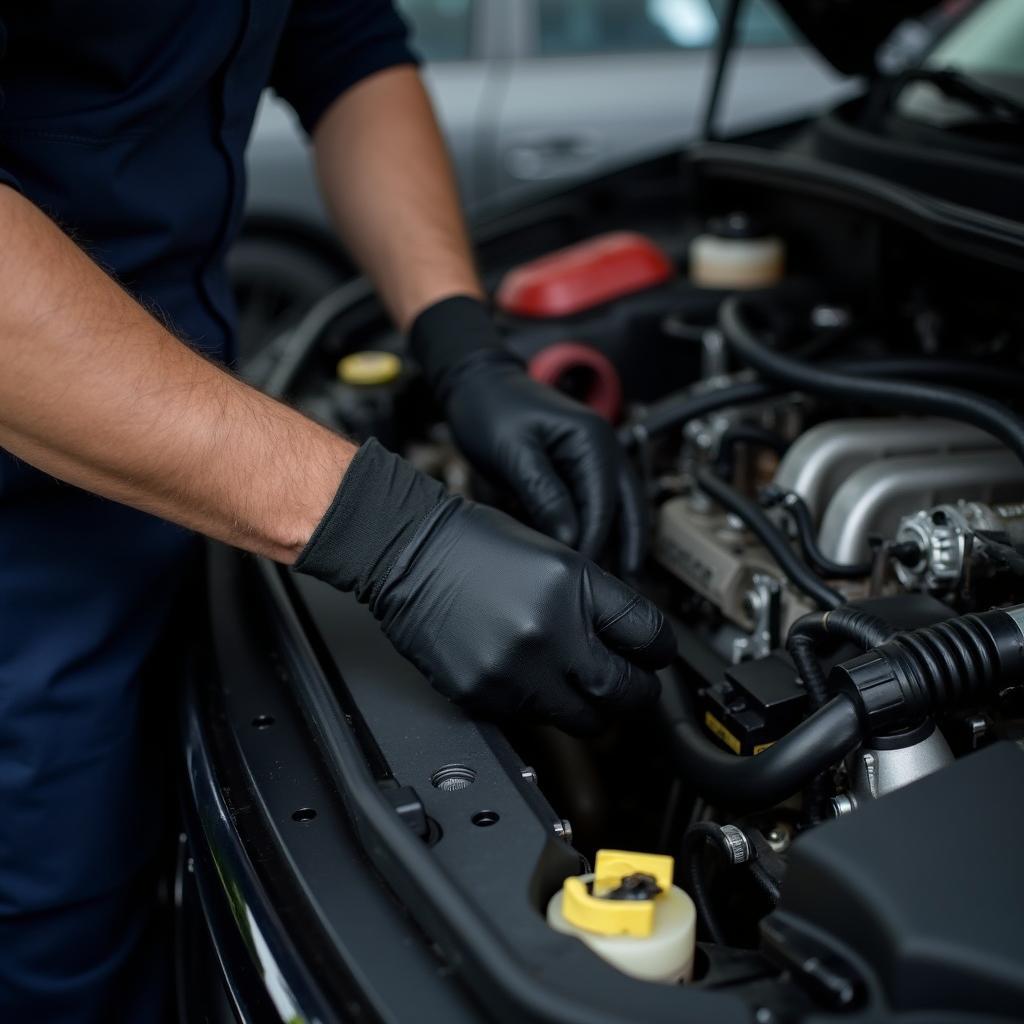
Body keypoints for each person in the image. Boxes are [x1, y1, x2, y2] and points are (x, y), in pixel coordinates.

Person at [0, 3, 675, 1020]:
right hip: (22, 555)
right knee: (58, 952)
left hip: (165, 473)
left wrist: (463, 346)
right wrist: (395, 537)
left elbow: (345, 49)